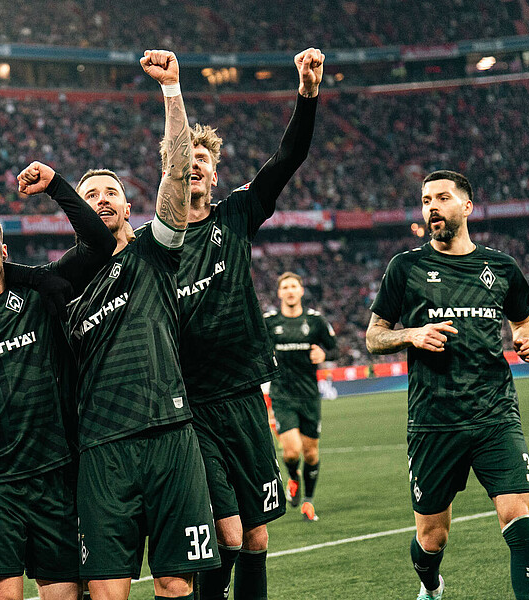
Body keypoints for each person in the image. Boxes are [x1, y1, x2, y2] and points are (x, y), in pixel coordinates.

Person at [60, 49, 219, 600]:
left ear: (129, 209)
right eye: (90, 195)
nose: (102, 200)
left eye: (112, 193)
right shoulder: (61, 290)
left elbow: (176, 171)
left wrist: (172, 91)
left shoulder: (155, 251)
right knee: (107, 590)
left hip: (172, 436)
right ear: (77, 213)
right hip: (102, 447)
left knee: (177, 584)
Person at [0, 164, 114, 599]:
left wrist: (56, 187)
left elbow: (100, 243)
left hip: (53, 472)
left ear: (4, 249)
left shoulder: (40, 293)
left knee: (64, 594)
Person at [177, 48, 323, 600]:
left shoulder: (237, 215)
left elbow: (288, 157)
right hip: (191, 406)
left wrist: (307, 92)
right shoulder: (153, 243)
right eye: (183, 157)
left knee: (257, 537)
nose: (193, 164)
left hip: (243, 396)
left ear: (214, 172)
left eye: (202, 158)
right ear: (169, 169)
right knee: (227, 536)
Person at [366, 170, 529, 600]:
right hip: (433, 422)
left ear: (466, 206)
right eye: (426, 199)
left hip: (494, 414)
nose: (432, 207)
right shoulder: (405, 267)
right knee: (432, 538)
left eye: (442, 198)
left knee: (519, 518)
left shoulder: (500, 267)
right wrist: (409, 334)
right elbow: (374, 336)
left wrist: (528, 340)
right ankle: (431, 585)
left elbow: (526, 321)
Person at [263, 271, 337, 521]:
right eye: (285, 287)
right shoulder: (269, 321)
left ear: (302, 290)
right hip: (282, 395)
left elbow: (334, 349)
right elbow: (254, 347)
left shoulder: (315, 321)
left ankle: (308, 502)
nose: (290, 291)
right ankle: (293, 478)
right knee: (292, 451)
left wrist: (325, 356)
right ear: (279, 293)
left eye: (294, 286)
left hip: (309, 397)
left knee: (311, 454)